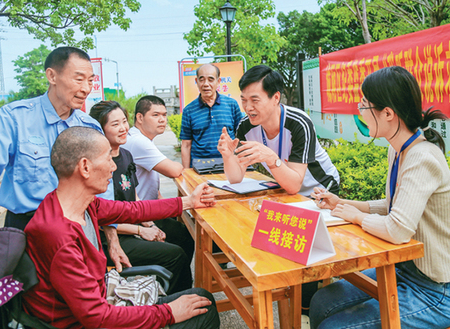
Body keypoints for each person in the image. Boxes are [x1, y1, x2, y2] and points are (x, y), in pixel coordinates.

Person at [308, 66, 450, 329]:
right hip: (404, 270)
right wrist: (342, 203)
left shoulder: (422, 157)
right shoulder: (398, 150)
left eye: (364, 104)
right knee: (322, 301)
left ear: (387, 113)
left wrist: (355, 216)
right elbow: (394, 205)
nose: (360, 110)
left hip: (440, 291)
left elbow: (398, 229)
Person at [23, 126, 219, 329]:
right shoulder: (58, 236)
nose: (113, 167)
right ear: (85, 167)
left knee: (202, 299)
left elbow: (133, 210)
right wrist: (169, 312)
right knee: (204, 314)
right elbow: (97, 317)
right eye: (108, 158)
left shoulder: (78, 205)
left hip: (101, 305)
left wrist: (188, 202)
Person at [0, 47, 128, 270]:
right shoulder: (16, 118)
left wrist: (112, 241)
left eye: (91, 80)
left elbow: (103, 191)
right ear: (52, 76)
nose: (86, 88)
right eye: (79, 79)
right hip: (27, 231)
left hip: (80, 229)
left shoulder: (89, 127)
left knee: (86, 290)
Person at [89, 101, 193, 294]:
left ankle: (172, 288)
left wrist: (150, 225)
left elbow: (135, 197)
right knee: (175, 255)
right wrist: (141, 230)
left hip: (133, 220)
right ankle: (173, 301)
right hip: (113, 235)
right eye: (115, 124)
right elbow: (102, 218)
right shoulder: (98, 164)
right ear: (100, 129)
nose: (123, 128)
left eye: (124, 122)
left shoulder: (126, 155)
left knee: (183, 235)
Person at [218, 64, 340, 197]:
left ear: (276, 98)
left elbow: (294, 186)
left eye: (255, 100)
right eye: (244, 100)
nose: (248, 107)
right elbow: (235, 178)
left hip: (321, 190)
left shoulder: (299, 123)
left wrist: (270, 157)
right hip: (287, 191)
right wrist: (228, 156)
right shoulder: (245, 126)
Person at [122, 95, 193, 260]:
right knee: (185, 236)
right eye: (155, 115)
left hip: (146, 207)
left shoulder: (141, 138)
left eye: (164, 115)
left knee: (183, 223)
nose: (162, 120)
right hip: (139, 215)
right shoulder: (138, 141)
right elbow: (174, 170)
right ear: (139, 118)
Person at [180, 63, 243, 168]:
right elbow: (186, 145)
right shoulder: (188, 110)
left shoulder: (232, 104)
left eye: (210, 79)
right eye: (201, 80)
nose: (206, 84)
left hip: (229, 164)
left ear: (218, 81)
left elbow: (241, 137)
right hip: (200, 166)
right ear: (196, 81)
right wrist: (186, 172)